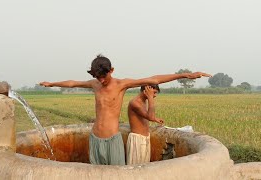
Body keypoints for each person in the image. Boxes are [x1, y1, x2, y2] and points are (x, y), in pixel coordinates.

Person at [39, 54, 211, 165]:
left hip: (112, 139)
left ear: (111, 71)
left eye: (103, 76)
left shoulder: (122, 85)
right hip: (95, 138)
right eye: (97, 77)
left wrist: (185, 75)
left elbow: (153, 78)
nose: (101, 81)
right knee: (95, 174)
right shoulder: (95, 84)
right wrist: (52, 83)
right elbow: (73, 83)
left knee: (118, 174)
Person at [126, 84, 163, 165]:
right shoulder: (135, 103)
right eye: (153, 93)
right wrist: (150, 98)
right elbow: (150, 116)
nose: (155, 95)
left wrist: (155, 119)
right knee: (135, 168)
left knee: (143, 167)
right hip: (137, 140)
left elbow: (146, 115)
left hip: (144, 138)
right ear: (146, 91)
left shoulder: (143, 101)